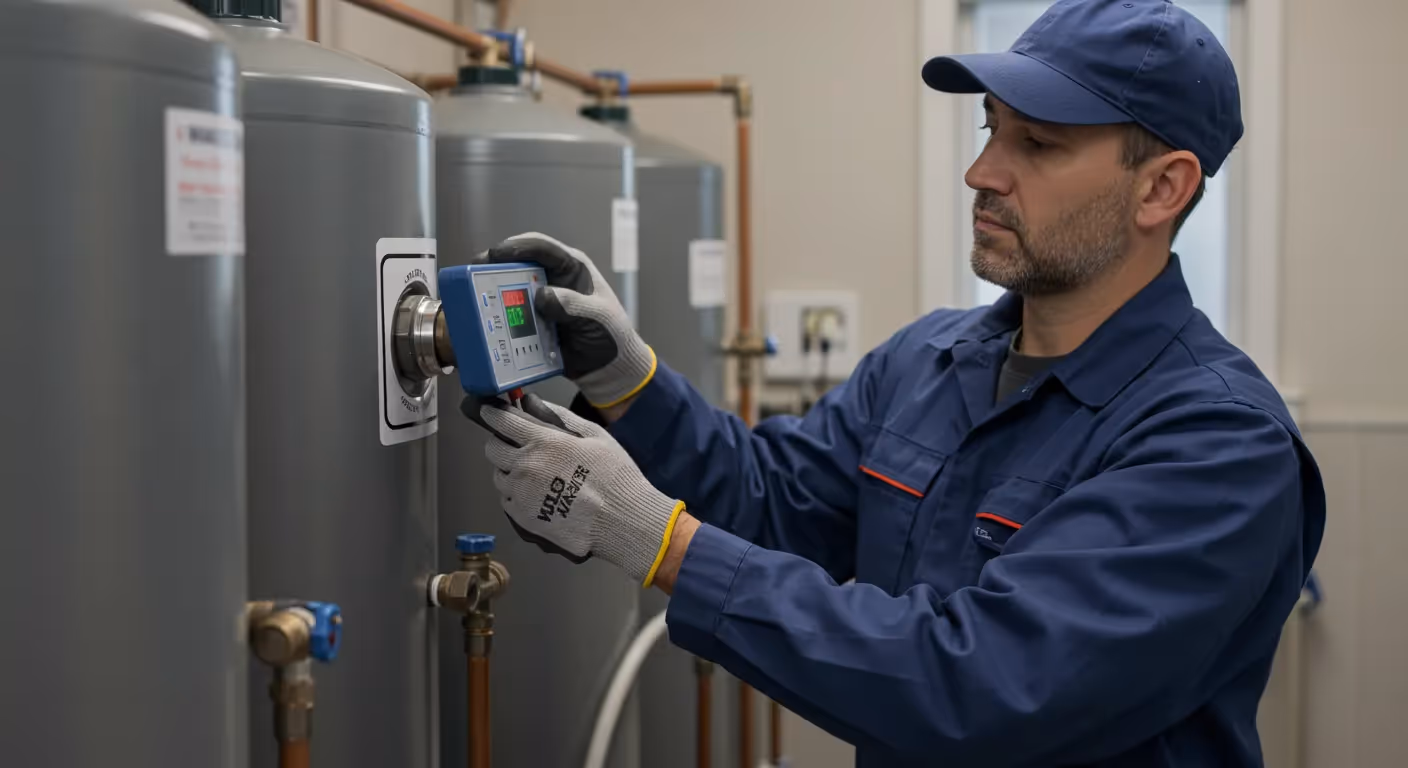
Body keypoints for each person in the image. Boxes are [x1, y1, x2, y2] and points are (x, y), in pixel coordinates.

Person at [469, 0, 1325, 765]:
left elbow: (983, 687)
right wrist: (629, 383)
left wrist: (661, 542)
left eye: (1038, 143)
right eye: (990, 129)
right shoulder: (929, 360)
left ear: (1161, 188)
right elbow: (773, 503)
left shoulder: (1218, 445)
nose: (983, 173)